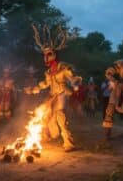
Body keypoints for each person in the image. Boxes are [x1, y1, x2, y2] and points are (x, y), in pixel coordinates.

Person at [25, 24, 82, 152]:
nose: (46, 57)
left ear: (54, 55)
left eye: (49, 54)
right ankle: (44, 137)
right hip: (52, 95)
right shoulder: (48, 72)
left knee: (60, 117)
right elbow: (45, 84)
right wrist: (34, 89)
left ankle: (69, 143)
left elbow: (72, 77)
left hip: (62, 94)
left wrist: (75, 83)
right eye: (45, 55)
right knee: (45, 115)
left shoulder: (63, 67)